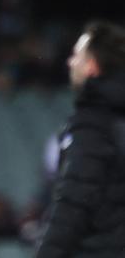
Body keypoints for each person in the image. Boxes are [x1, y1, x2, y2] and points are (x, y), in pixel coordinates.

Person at [36, 20, 125, 257]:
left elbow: (74, 204)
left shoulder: (94, 125)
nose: (70, 62)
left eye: (76, 55)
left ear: (92, 67)